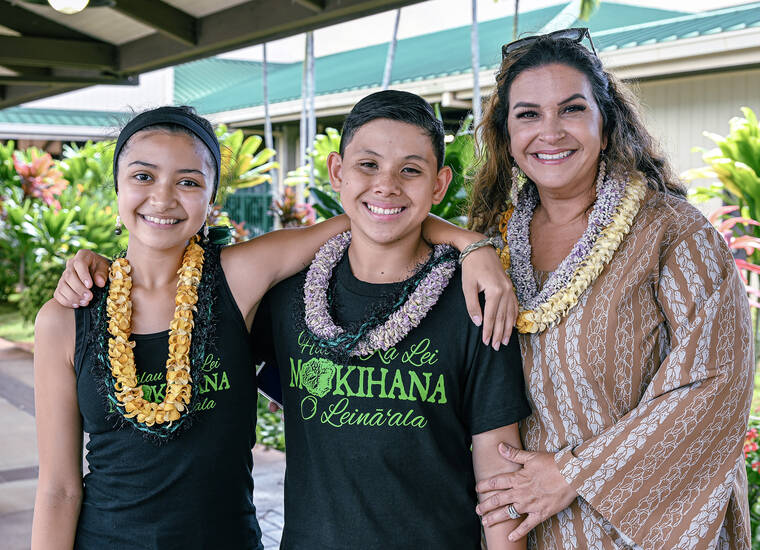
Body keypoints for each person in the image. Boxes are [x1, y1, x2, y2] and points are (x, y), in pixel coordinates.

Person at [34, 106, 514, 549]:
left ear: (211, 198)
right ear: (116, 185)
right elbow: (57, 490)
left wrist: (471, 244)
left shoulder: (236, 280)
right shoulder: (66, 318)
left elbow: (369, 218)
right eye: (142, 176)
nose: (163, 197)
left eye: (188, 181)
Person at [468, 28, 753, 549]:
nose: (549, 132)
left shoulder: (673, 233)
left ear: (606, 120)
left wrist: (572, 473)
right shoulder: (490, 248)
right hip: (533, 533)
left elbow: (716, 383)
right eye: (527, 114)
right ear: (505, 135)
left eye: (571, 109)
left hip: (652, 534)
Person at [251, 89, 531, 550]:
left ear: (438, 185)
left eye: (410, 170)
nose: (387, 185)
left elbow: (498, 468)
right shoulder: (288, 297)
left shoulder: (475, 300)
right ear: (337, 172)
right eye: (368, 165)